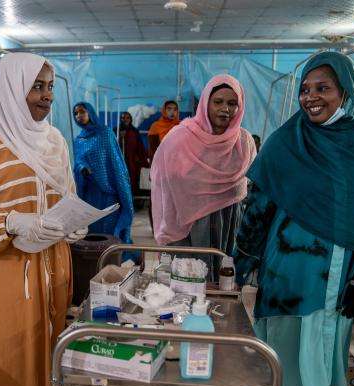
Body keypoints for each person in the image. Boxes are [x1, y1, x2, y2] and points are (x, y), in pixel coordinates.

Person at [234, 52, 354, 386]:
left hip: (339, 277)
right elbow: (257, 209)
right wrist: (242, 263)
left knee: (322, 354)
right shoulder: (286, 141)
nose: (311, 97)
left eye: (323, 88)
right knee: (284, 357)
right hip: (285, 276)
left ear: (347, 91)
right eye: (305, 90)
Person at [0, 53, 87, 386]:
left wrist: (74, 223)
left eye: (50, 87)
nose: (48, 95)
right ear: (12, 88)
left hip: (55, 265)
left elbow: (67, 196)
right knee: (10, 357)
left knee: (51, 349)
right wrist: (11, 222)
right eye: (36, 87)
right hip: (9, 271)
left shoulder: (55, 141)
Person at [151, 75, 256, 281]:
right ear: (205, 103)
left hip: (228, 220)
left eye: (232, 103)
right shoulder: (179, 138)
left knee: (222, 277)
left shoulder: (244, 142)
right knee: (189, 279)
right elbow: (162, 180)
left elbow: (250, 184)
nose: (225, 108)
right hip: (188, 224)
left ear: (239, 107)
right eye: (218, 102)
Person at [73, 102, 134, 244]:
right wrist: (82, 167)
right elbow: (77, 162)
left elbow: (115, 161)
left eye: (82, 112)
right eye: (75, 113)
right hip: (89, 194)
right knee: (92, 232)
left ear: (90, 112)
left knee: (110, 231)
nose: (78, 116)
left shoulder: (105, 133)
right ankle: (96, 262)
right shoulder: (79, 140)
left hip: (108, 193)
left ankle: (118, 258)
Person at [117, 111, 150, 199]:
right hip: (119, 160)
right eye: (123, 118)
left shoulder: (134, 131)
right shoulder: (116, 130)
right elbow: (113, 145)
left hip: (132, 161)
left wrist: (142, 159)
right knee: (120, 180)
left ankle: (131, 201)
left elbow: (140, 147)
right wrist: (120, 137)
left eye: (127, 118)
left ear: (131, 119)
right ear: (120, 119)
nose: (125, 120)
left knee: (132, 180)